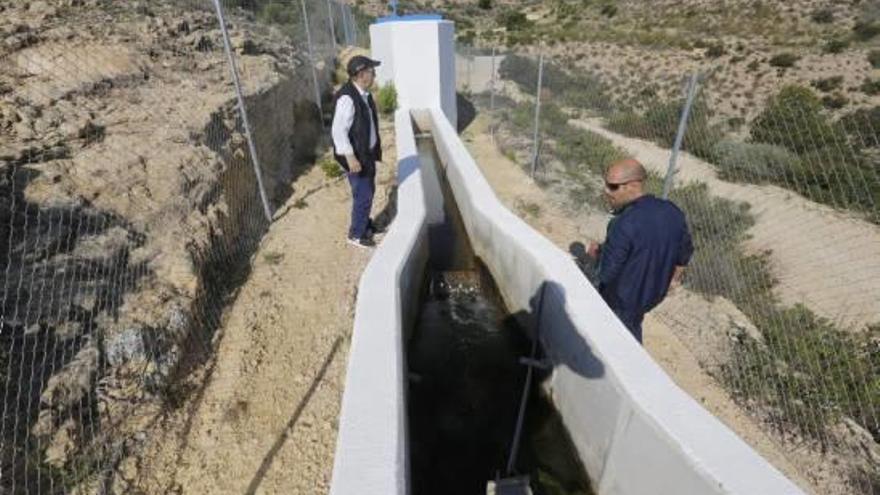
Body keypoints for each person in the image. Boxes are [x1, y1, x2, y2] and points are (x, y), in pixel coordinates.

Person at [587, 158, 693, 343]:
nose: (606, 191)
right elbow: (683, 257)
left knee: (622, 344)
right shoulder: (673, 212)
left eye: (612, 186)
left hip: (620, 302)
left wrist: (596, 256)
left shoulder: (623, 222)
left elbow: (605, 274)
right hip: (651, 297)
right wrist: (669, 283)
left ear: (633, 185)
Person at [331, 55, 384, 248]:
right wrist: (351, 158)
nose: (374, 74)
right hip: (357, 158)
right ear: (362, 74)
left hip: (365, 154)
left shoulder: (362, 93)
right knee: (363, 194)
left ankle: (364, 222)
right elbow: (338, 131)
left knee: (366, 191)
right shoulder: (347, 98)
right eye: (372, 71)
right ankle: (356, 234)